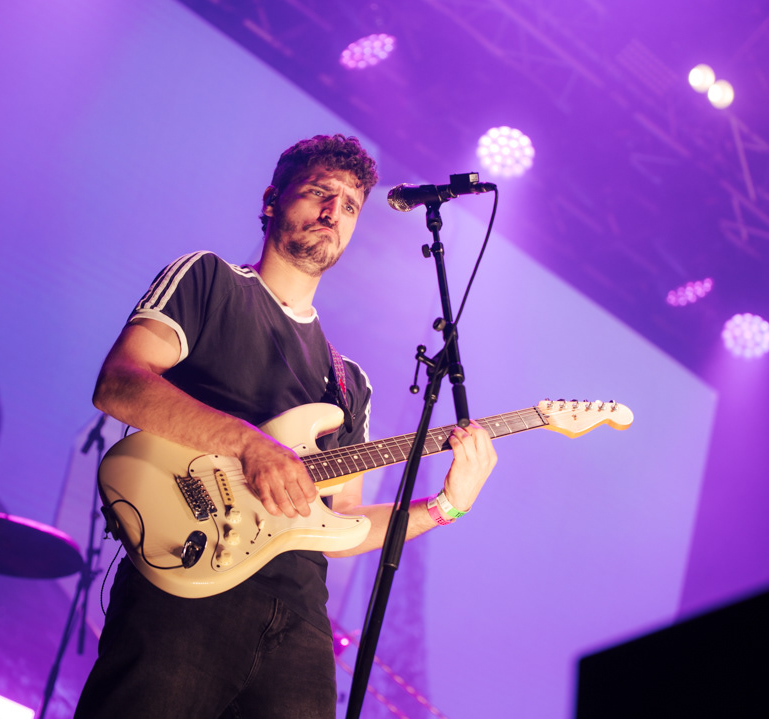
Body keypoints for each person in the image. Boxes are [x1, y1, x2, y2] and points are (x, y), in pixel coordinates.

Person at [74, 134, 497, 718]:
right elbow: (120, 383)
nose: (333, 212)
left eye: (350, 206)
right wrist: (252, 445)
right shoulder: (210, 280)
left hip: (298, 625)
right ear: (272, 199)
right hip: (186, 583)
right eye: (320, 192)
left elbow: (345, 522)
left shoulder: (349, 381)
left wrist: (446, 506)